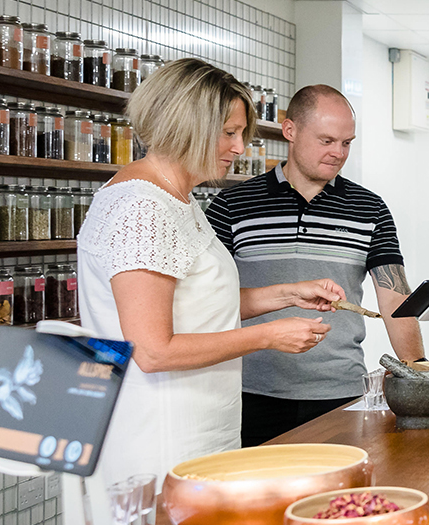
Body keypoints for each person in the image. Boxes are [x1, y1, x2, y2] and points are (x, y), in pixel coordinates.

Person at [79, 59, 340, 483]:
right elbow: (151, 349)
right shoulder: (141, 208)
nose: (239, 149)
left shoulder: (177, 199)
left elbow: (198, 304)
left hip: (200, 425)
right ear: (186, 126)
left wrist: (288, 294)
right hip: (160, 437)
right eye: (229, 133)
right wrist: (269, 336)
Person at [208, 84, 426, 447]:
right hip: (249, 392)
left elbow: (395, 299)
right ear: (290, 130)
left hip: (340, 393)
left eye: (346, 143)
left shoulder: (370, 209)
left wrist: (417, 371)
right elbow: (208, 297)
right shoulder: (232, 205)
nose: (338, 153)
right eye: (326, 140)